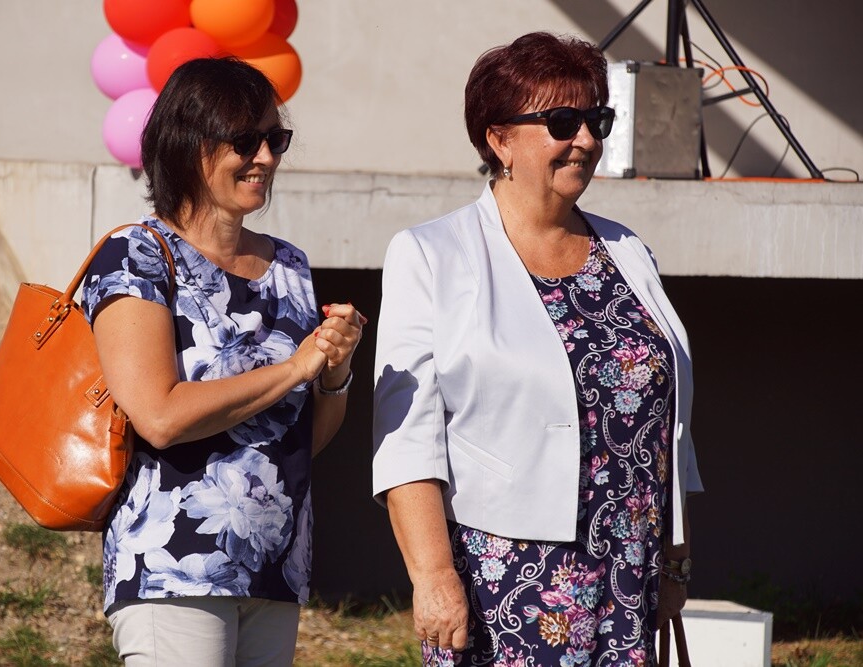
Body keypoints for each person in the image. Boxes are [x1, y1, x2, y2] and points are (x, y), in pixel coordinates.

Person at [372, 32, 702, 666]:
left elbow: (670, 430)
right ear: (499, 139)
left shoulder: (629, 251)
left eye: (596, 120)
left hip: (630, 573)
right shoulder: (432, 255)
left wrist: (675, 562)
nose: (586, 140)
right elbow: (407, 438)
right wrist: (433, 577)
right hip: (508, 582)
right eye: (562, 122)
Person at [82, 57, 364, 666]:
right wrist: (294, 369)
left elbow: (300, 441)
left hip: (276, 569)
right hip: (174, 568)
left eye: (275, 139)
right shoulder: (135, 255)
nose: (265, 157)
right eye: (245, 141)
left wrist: (334, 373)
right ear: (189, 145)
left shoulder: (290, 265)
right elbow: (159, 416)